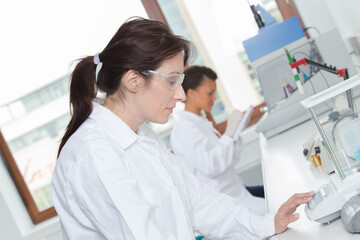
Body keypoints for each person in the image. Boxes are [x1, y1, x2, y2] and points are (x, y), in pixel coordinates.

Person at [51, 17, 314, 240]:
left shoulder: (140, 135)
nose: (180, 94)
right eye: (172, 81)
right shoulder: (93, 154)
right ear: (133, 80)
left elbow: (197, 200)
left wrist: (268, 224)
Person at [170, 65, 266, 216]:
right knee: (275, 207)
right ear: (191, 93)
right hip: (223, 203)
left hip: (237, 191)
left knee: (274, 195)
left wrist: (234, 134)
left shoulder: (201, 123)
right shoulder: (185, 130)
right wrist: (228, 135)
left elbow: (230, 160)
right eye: (210, 93)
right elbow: (210, 166)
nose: (214, 98)